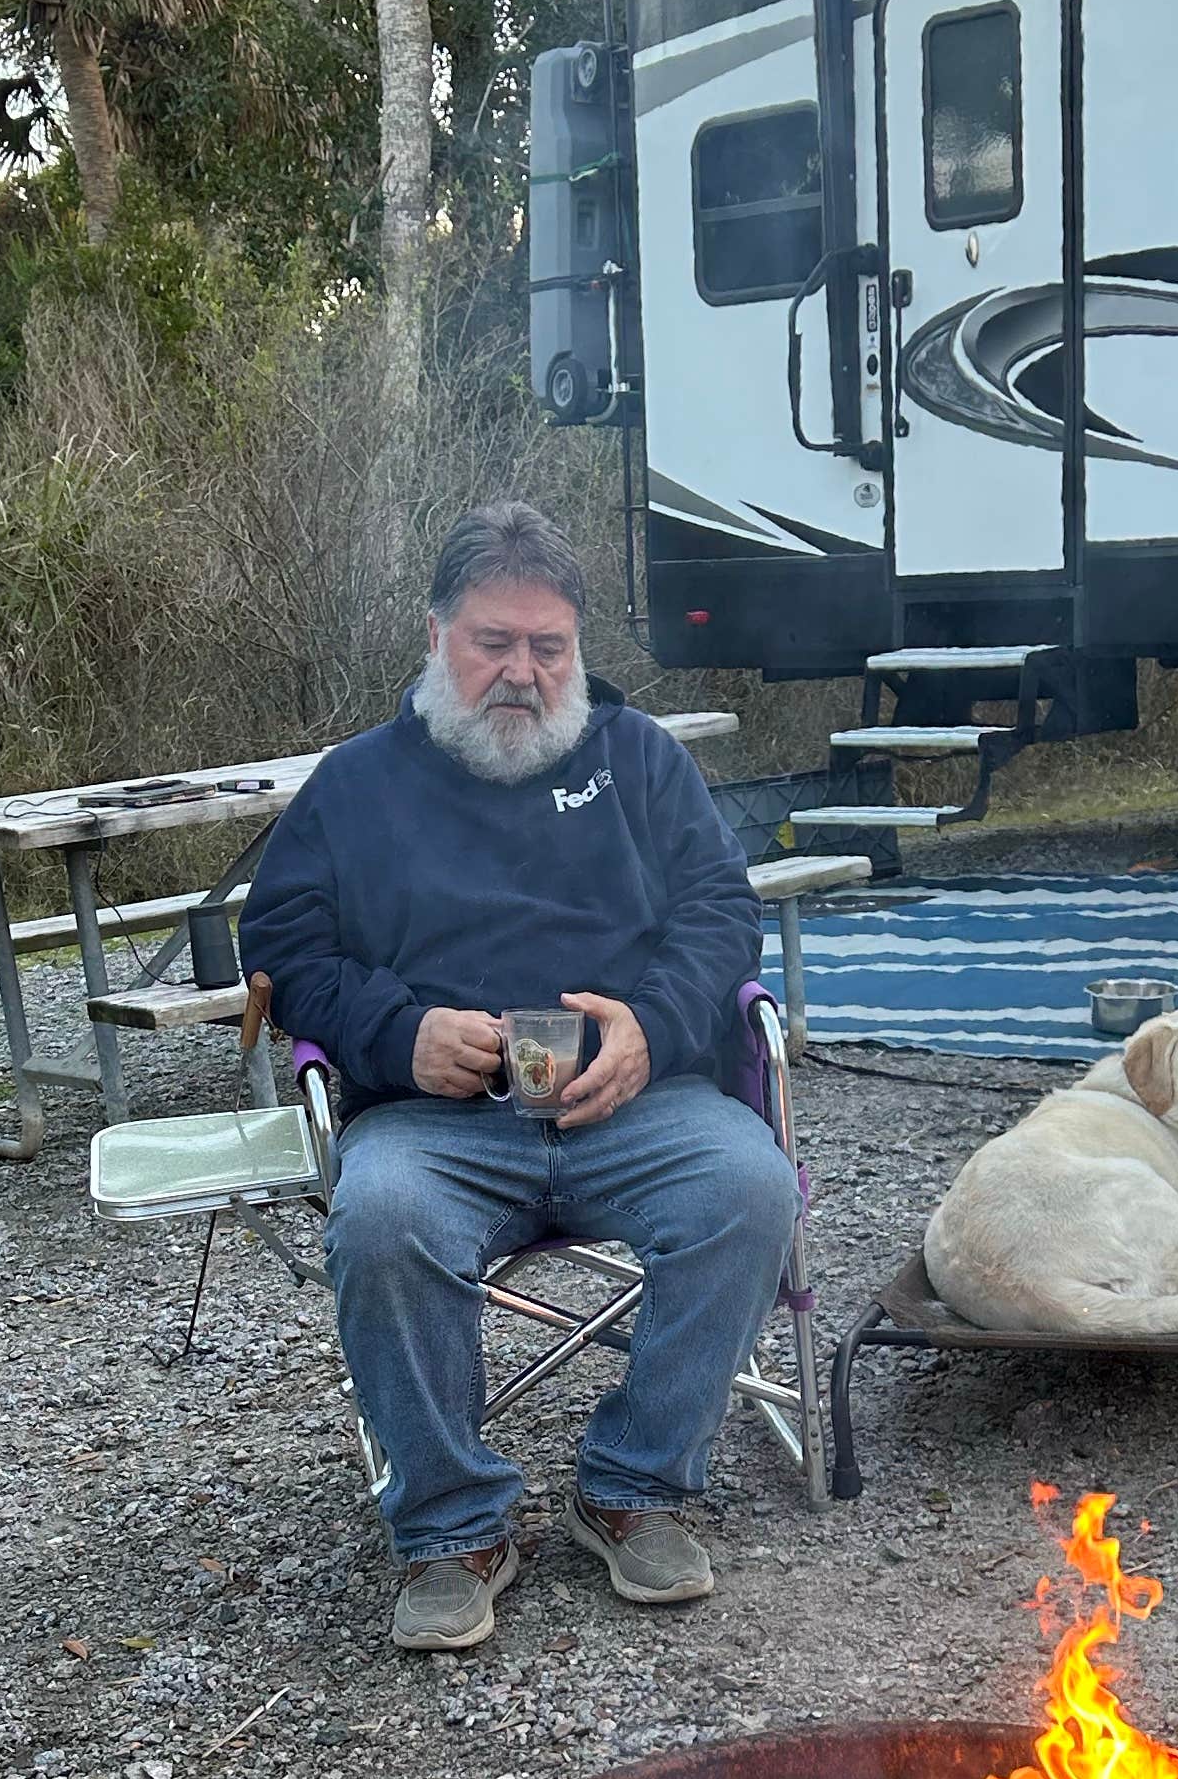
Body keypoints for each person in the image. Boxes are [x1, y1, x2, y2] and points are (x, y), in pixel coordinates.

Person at [239, 500, 796, 1654]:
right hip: (437, 1120)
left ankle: (634, 1486)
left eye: (549, 647)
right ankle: (452, 1528)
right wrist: (397, 1032)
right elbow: (282, 950)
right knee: (380, 1215)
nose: (523, 672)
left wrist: (652, 1025)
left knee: (749, 1188)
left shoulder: (639, 760)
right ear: (436, 633)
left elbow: (720, 914)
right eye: (494, 642)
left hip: (634, 1100)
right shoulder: (355, 786)